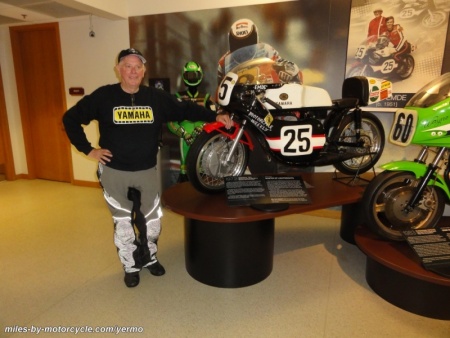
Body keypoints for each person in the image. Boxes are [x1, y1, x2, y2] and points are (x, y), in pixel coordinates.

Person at [62, 48, 232, 288]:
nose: (133, 71)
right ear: (118, 69)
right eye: (127, 66)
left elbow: (186, 109)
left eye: (137, 67)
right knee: (123, 225)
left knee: (152, 222)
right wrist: (89, 150)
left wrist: (216, 115)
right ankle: (130, 266)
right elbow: (70, 119)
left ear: (143, 71)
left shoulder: (156, 97)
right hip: (114, 173)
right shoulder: (104, 96)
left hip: (146, 171)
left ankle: (149, 257)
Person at [167, 61, 216, 182]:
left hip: (203, 136)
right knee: (185, 168)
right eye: (189, 75)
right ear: (184, 77)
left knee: (202, 165)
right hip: (185, 138)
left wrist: (203, 128)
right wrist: (184, 133)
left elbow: (215, 117)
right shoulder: (178, 96)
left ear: (200, 76)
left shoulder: (206, 97)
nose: (192, 78)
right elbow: (171, 121)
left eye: (194, 75)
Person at [217, 18, 303, 85]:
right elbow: (220, 90)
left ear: (254, 39)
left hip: (266, 93)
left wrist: (286, 72)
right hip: (238, 100)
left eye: (247, 43)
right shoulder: (223, 63)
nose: (244, 49)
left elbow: (284, 66)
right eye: (239, 43)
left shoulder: (267, 51)